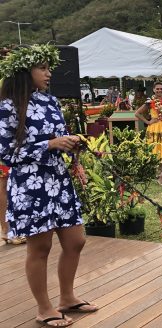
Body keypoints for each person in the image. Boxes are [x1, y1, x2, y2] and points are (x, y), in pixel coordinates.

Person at [0, 44, 99, 327]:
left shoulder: (50, 101)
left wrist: (72, 148)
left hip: (58, 181)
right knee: (40, 248)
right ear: (24, 71)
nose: (49, 73)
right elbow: (6, 153)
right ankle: (44, 308)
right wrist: (50, 144)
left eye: (48, 67)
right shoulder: (6, 106)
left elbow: (59, 138)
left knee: (76, 241)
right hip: (30, 186)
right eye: (42, 68)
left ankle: (67, 298)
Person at [135, 81, 162, 185]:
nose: (159, 90)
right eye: (157, 89)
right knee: (157, 153)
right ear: (153, 90)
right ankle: (158, 176)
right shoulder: (150, 102)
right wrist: (148, 122)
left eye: (161, 88)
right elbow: (137, 113)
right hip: (155, 128)